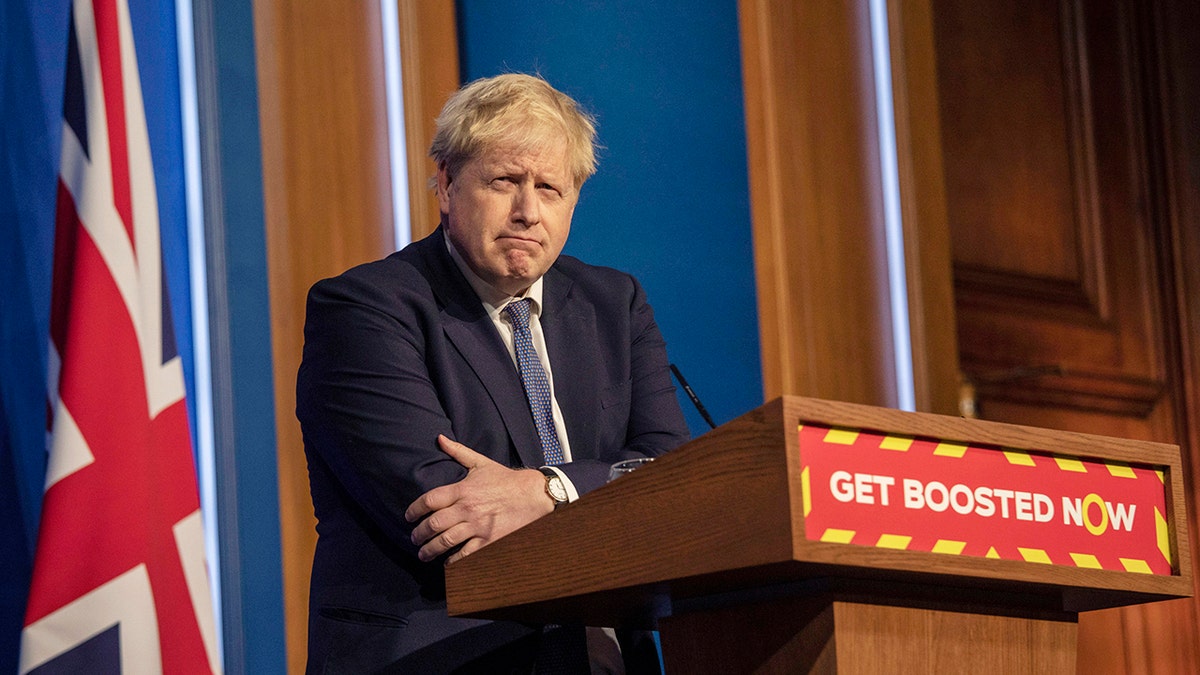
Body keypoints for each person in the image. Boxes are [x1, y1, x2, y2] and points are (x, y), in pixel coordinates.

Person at [296, 73, 691, 673]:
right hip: (448, 656)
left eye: (551, 188)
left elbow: (673, 481)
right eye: (506, 181)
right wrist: (613, 492)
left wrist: (548, 490)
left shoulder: (616, 304)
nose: (528, 211)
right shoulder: (364, 309)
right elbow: (447, 514)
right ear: (449, 184)